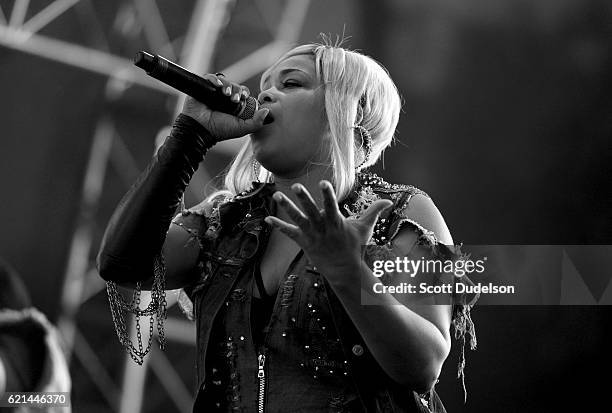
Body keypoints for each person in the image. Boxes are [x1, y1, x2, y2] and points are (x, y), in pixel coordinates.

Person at [97, 41, 476, 412]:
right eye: (264, 88)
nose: (265, 97)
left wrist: (349, 272)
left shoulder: (398, 213)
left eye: (291, 83)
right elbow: (124, 265)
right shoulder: (226, 221)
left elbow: (424, 366)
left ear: (348, 110)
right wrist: (190, 135)